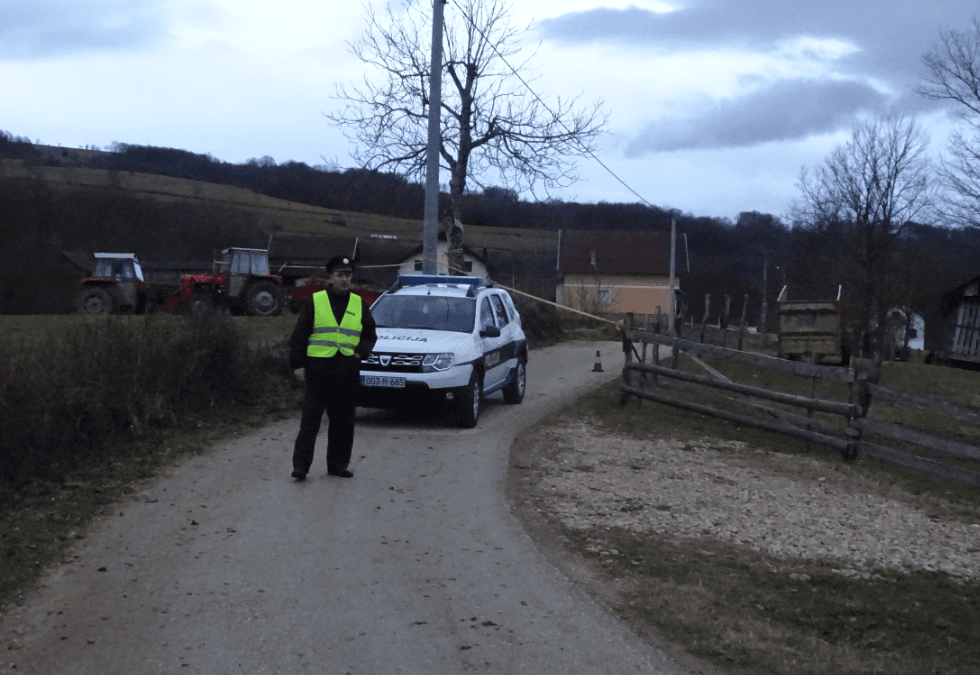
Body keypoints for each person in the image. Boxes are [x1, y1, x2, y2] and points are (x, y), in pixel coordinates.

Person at [289, 255, 377, 480]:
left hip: (347, 369)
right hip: (318, 369)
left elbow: (369, 335)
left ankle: (338, 465)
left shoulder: (359, 304)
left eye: (347, 275)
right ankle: (301, 466)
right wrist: (298, 364)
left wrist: (360, 353)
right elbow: (300, 335)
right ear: (331, 277)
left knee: (344, 422)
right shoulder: (316, 301)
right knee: (310, 421)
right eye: (340, 275)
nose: (344, 279)